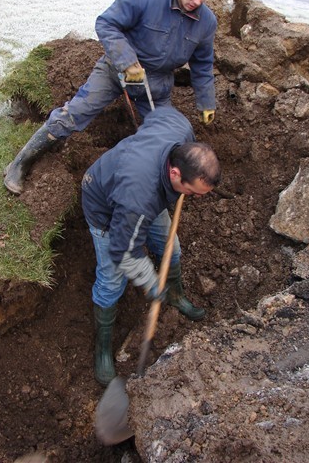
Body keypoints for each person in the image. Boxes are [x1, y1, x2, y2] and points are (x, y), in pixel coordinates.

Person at [4, 0, 220, 195]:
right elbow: (106, 23)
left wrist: (206, 101)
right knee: (74, 114)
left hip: (156, 83)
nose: (197, 1)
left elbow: (202, 64)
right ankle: (20, 164)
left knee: (165, 135)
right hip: (115, 70)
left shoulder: (206, 22)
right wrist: (127, 61)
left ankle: (154, 191)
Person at [81, 106, 221, 385]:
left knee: (173, 249)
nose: (195, 198)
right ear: (175, 174)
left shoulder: (179, 130)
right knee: (112, 280)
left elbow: (161, 113)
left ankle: (175, 296)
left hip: (145, 188)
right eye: (192, 193)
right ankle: (103, 350)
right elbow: (124, 251)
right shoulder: (138, 198)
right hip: (105, 206)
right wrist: (151, 283)